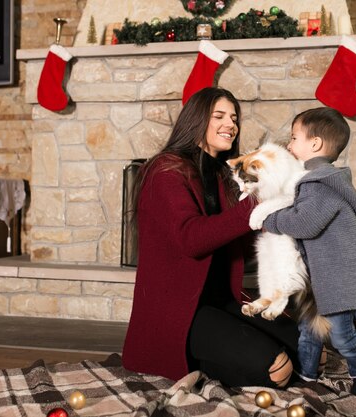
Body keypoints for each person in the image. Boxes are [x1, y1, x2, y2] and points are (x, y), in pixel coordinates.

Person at [121, 87, 299, 388]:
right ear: (196, 120)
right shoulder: (165, 170)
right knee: (276, 369)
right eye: (219, 116)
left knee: (310, 348)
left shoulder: (222, 174)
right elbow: (192, 240)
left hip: (222, 301)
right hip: (179, 310)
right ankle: (189, 359)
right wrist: (256, 205)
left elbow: (237, 241)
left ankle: (214, 356)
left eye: (234, 118)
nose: (230, 124)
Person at [260, 107, 356, 398]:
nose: (288, 145)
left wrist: (269, 220)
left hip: (340, 281)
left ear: (314, 144)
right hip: (325, 278)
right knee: (310, 330)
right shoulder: (317, 181)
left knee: (341, 334)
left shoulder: (320, 184)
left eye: (294, 138)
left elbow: (304, 223)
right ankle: (306, 375)